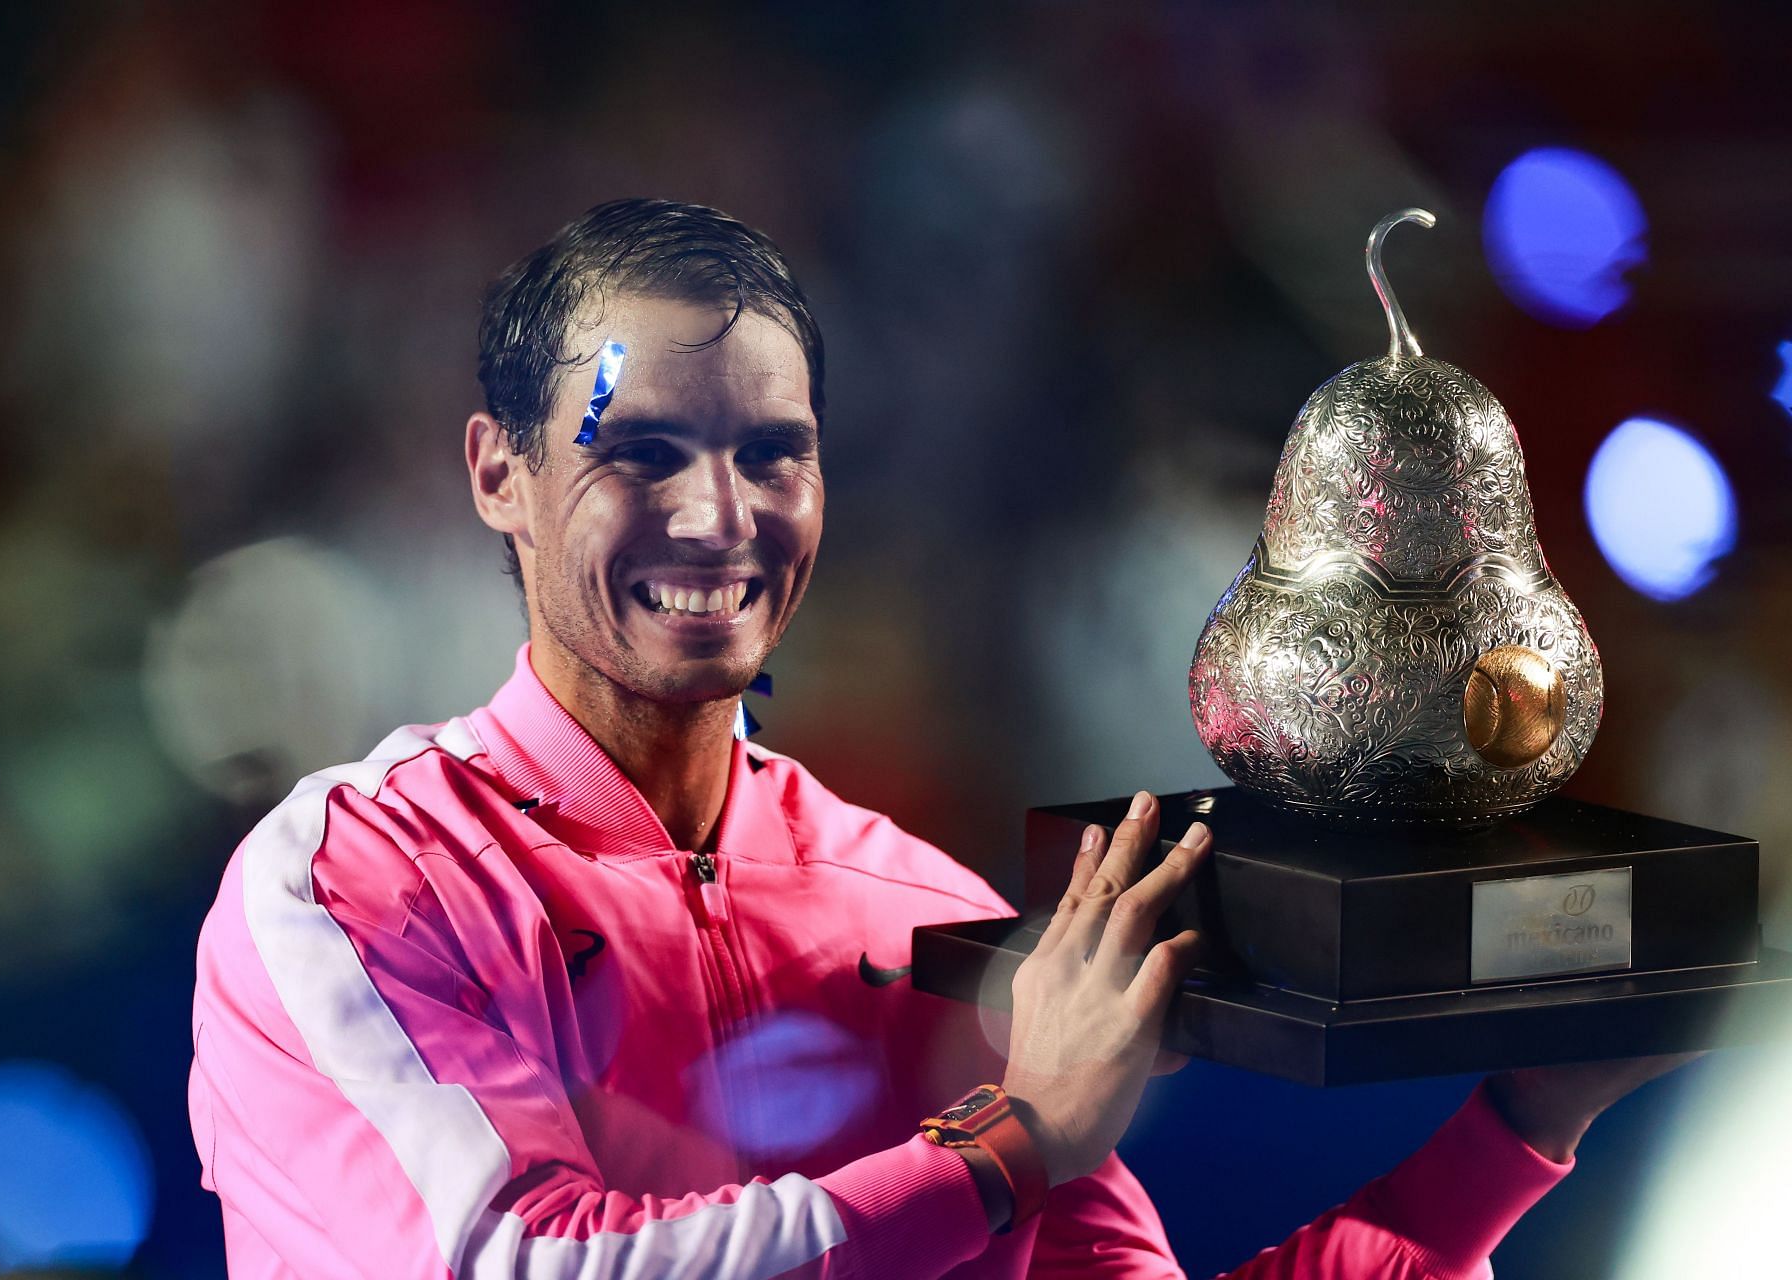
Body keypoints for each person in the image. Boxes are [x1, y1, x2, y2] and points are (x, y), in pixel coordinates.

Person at [188, 198, 1685, 1278]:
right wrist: (1010, 1139)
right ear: (498, 474)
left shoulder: (916, 911)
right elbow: (522, 1265)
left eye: (773, 451)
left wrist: (1518, 1124)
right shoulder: (354, 881)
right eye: (638, 449)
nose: (720, 516)